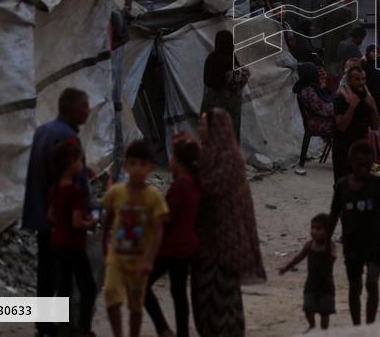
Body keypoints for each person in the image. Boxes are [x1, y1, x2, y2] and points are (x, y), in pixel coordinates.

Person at [22, 87, 92, 337]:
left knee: (47, 271)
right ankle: (64, 324)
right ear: (71, 109)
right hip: (61, 220)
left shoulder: (44, 131)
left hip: (44, 215)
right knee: (65, 274)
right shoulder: (66, 138)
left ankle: (44, 324)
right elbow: (70, 180)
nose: (88, 111)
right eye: (85, 106)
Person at [191, 108, 266, 336]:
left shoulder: (228, 158)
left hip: (224, 244)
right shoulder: (209, 155)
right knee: (207, 302)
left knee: (220, 303)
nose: (200, 129)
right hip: (208, 241)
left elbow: (209, 188)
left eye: (204, 125)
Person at [102, 140, 169, 337]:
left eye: (142, 164)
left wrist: (149, 259)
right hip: (117, 256)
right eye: (133, 163)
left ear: (151, 167)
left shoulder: (154, 197)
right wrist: (104, 245)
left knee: (136, 304)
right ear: (126, 165)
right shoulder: (116, 192)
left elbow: (158, 231)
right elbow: (108, 220)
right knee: (112, 296)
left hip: (139, 259)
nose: (137, 169)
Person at [328, 141, 380, 326]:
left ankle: (370, 325)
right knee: (355, 287)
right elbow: (333, 215)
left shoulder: (378, 184)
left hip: (376, 244)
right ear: (351, 163)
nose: (363, 170)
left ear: (373, 163)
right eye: (360, 165)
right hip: (352, 245)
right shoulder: (342, 187)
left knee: (372, 283)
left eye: (368, 166)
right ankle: (357, 327)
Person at [144, 137, 201, 337]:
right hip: (186, 246)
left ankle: (163, 329)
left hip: (172, 247)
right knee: (178, 293)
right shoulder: (193, 182)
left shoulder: (181, 185)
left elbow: (167, 216)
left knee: (143, 285)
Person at [49, 139, 98, 337]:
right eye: (80, 161)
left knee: (64, 285)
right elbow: (77, 222)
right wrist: (91, 223)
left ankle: (64, 326)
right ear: (71, 164)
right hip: (74, 245)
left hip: (58, 242)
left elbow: (50, 216)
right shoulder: (74, 193)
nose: (82, 165)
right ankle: (83, 328)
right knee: (88, 287)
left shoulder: (55, 189)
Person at [278, 213, 336, 331]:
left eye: (318, 229)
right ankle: (312, 326)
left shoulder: (329, 245)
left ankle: (324, 330)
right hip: (311, 284)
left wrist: (332, 256)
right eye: (312, 228)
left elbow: (333, 253)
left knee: (325, 312)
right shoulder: (309, 245)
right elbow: (298, 257)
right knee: (308, 308)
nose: (314, 231)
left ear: (327, 231)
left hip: (326, 285)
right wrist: (286, 268)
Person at [332, 66, 380, 183]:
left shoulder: (367, 97)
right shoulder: (341, 97)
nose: (361, 82)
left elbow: (376, 126)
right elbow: (341, 127)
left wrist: (373, 108)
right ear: (349, 80)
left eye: (363, 79)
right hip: (343, 148)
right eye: (357, 79)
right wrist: (352, 107)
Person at [202, 30, 249, 141]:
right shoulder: (229, 60)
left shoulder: (210, 58)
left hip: (210, 107)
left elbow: (206, 80)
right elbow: (237, 81)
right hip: (228, 111)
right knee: (228, 140)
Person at [295, 62, 336, 172]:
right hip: (318, 122)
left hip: (320, 119)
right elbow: (322, 109)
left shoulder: (310, 87)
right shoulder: (308, 90)